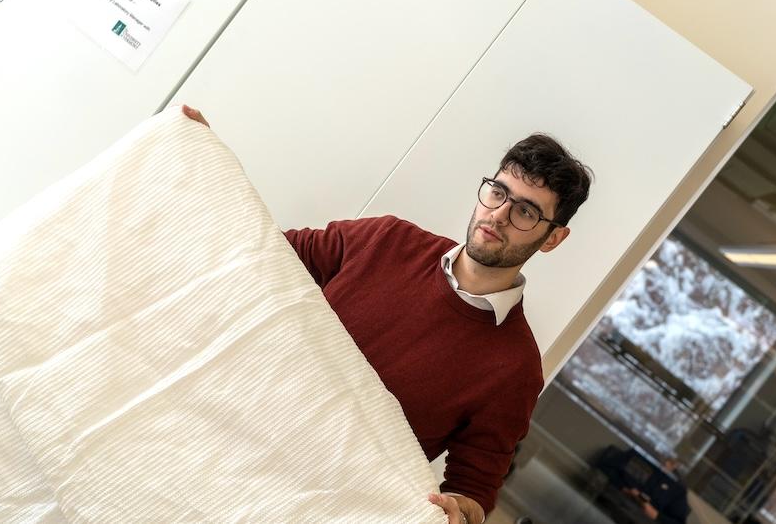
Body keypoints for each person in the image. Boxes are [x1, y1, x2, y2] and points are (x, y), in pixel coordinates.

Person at [181, 106, 592, 524]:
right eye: (498, 192)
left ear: (553, 238)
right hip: (212, 436)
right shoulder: (387, 239)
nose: (499, 214)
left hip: (305, 509)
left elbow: (472, 491)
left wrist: (458, 511)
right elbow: (262, 252)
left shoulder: (516, 369)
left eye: (525, 211)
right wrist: (207, 165)